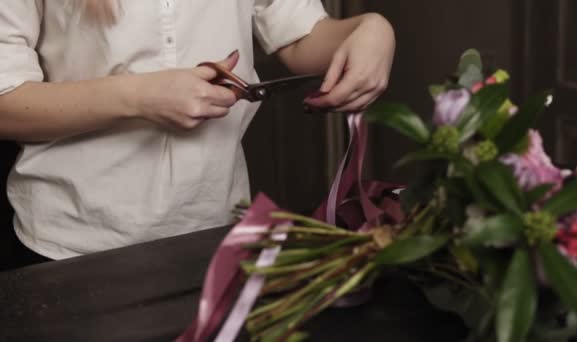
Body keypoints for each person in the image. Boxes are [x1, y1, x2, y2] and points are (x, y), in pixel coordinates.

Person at [0, 1, 395, 265]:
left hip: (216, 234)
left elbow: (299, 36)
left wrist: (371, 29)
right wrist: (137, 97)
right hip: (72, 248)